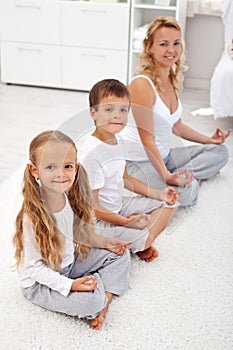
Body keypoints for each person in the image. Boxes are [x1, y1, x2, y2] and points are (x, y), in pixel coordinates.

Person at [13, 130, 131, 331]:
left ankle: (104, 299)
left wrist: (105, 243)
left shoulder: (64, 197)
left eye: (67, 166)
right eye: (50, 167)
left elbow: (76, 231)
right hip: (40, 283)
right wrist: (71, 286)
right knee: (90, 303)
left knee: (120, 254)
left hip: (68, 264)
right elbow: (33, 269)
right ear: (35, 171)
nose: (61, 174)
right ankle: (99, 302)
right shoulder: (31, 218)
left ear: (75, 168)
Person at [119, 16, 231, 207]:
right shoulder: (141, 85)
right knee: (185, 194)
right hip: (137, 163)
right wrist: (166, 176)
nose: (171, 50)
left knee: (220, 152)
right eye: (163, 44)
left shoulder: (171, 79)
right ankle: (190, 179)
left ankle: (187, 177)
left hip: (164, 156)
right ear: (150, 47)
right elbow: (147, 140)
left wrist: (209, 140)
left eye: (176, 43)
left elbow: (176, 125)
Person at [79, 79, 180, 263]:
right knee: (141, 238)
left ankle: (138, 236)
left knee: (170, 203)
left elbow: (126, 179)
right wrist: (125, 222)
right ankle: (141, 240)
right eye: (109, 109)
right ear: (93, 113)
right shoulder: (91, 154)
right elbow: (92, 207)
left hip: (117, 206)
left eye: (123, 110)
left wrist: (159, 194)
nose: (117, 115)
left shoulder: (118, 142)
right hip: (97, 221)